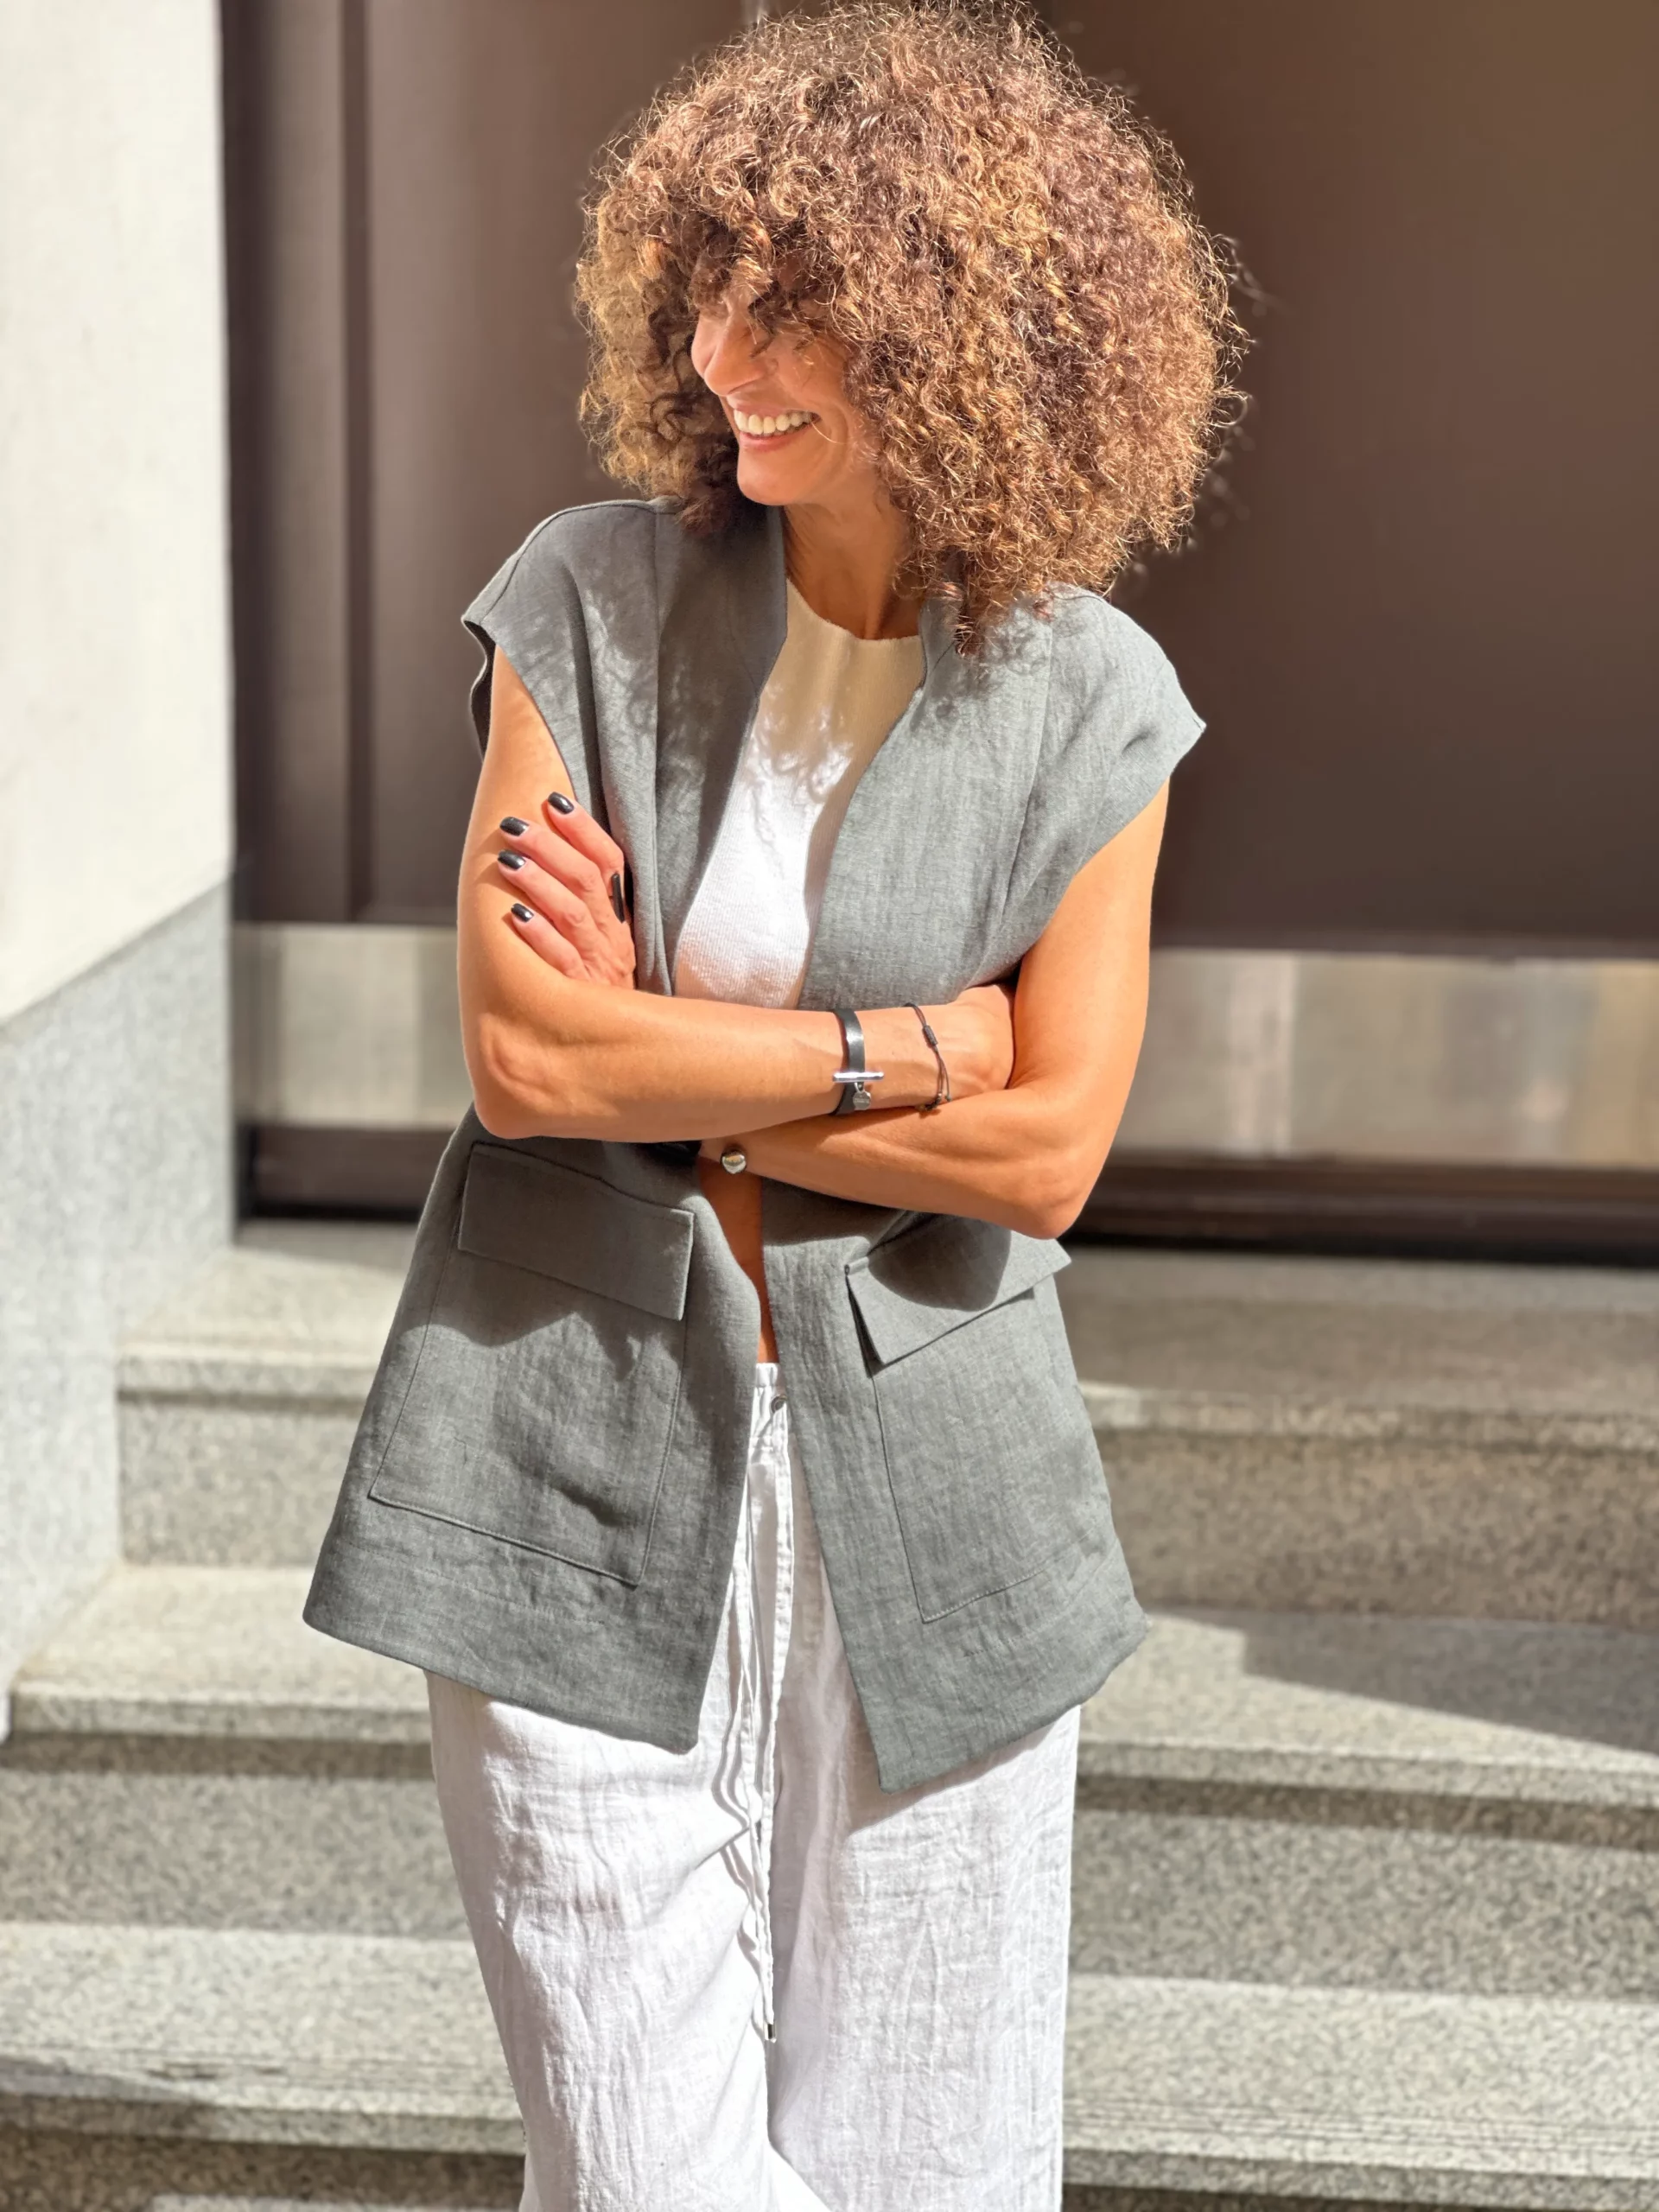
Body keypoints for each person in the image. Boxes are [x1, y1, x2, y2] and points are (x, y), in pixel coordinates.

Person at [305, 5, 1239, 2206]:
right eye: (707, 291)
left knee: (932, 2173)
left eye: (796, 305)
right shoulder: (589, 600)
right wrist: (907, 1051)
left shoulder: (1094, 699)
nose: (727, 354)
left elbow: (1049, 1155)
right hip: (568, 1454)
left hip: (941, 1525)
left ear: (962, 327)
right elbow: (531, 1056)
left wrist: (670, 1055)